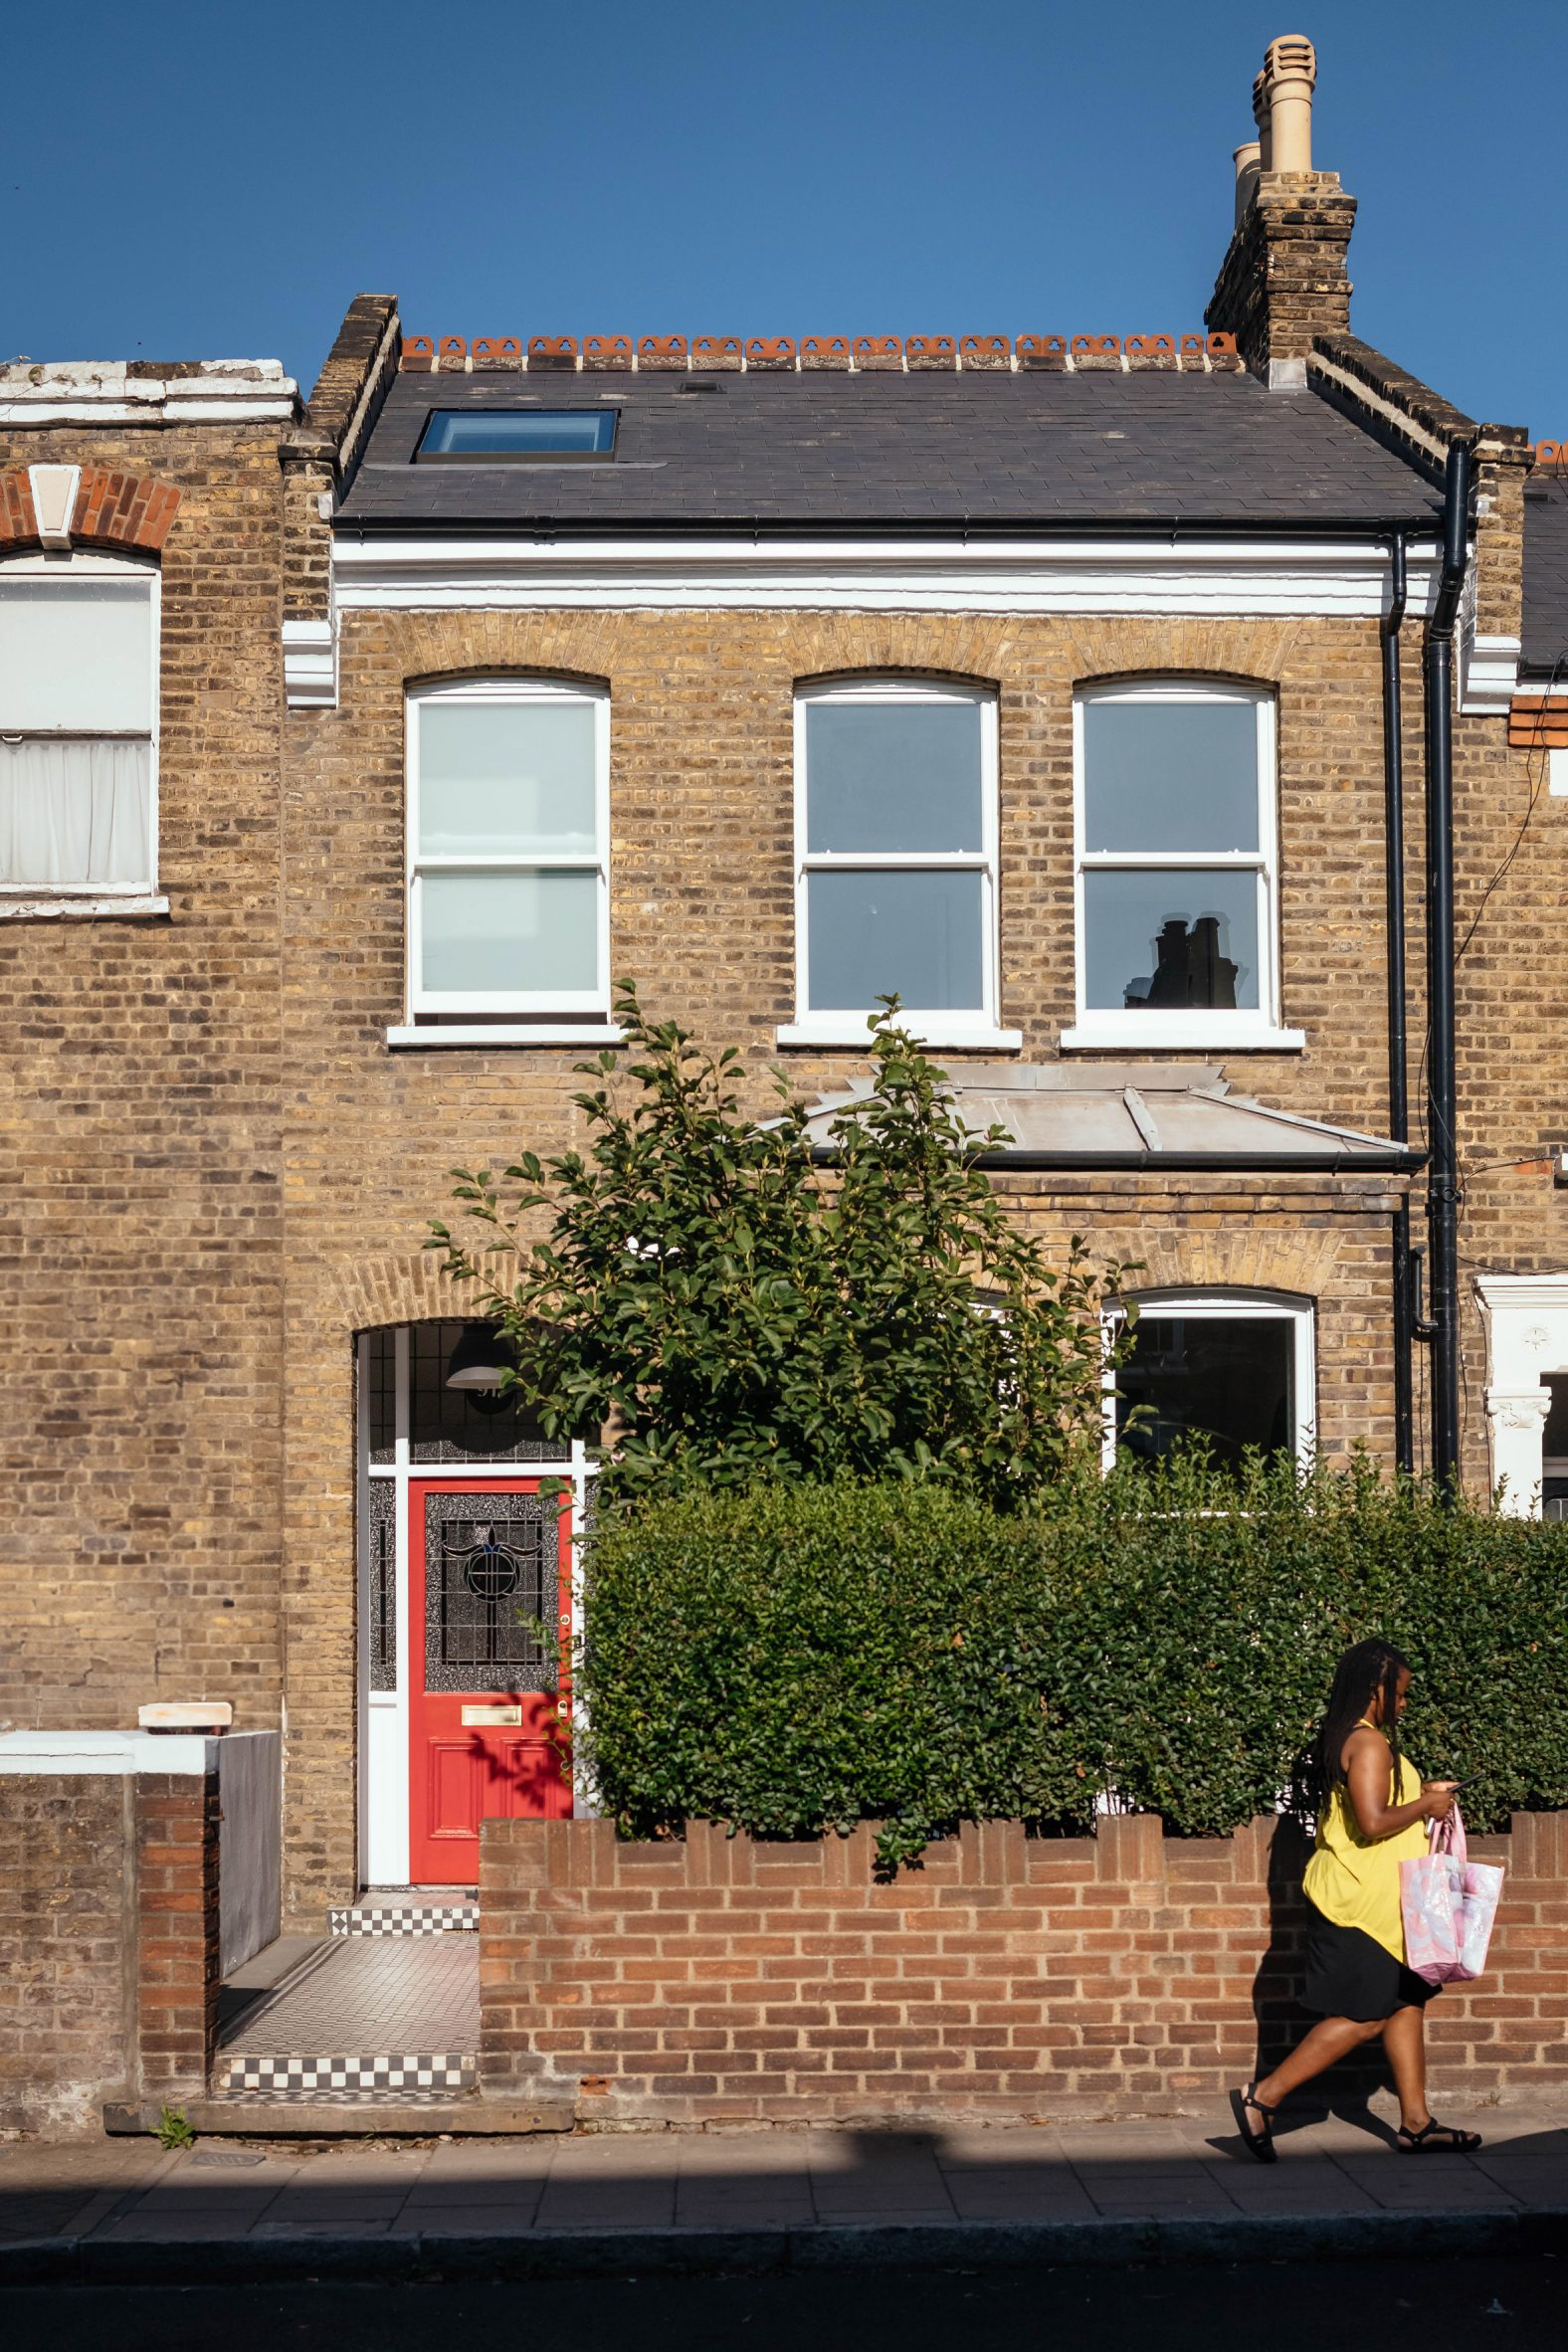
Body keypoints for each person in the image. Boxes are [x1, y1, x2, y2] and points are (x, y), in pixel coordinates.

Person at [1232, 1638, 1482, 2160]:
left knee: (1406, 2002)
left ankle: (1417, 2124)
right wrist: (1426, 1806)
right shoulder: (1369, 1743)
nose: (1404, 1703)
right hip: (1361, 1905)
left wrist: (1425, 1796)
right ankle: (1263, 2097)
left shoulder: (1352, 1737)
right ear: (1376, 1689)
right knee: (1365, 2015)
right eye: (1400, 1692)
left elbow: (1375, 1807)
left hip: (1388, 1902)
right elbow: (1371, 1823)